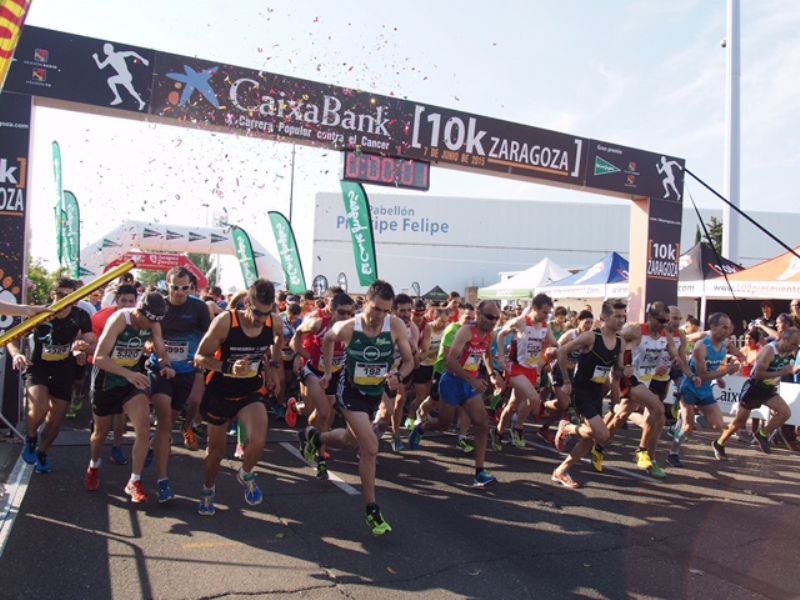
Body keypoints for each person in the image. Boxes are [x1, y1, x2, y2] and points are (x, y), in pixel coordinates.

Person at [302, 280, 414, 536]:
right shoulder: (350, 326)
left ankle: (313, 435)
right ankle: (371, 510)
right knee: (370, 446)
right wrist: (329, 370)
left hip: (375, 392)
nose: (380, 316)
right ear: (366, 303)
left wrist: (398, 374)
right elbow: (328, 339)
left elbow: (409, 361)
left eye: (386, 310)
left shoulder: (394, 326)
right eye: (376, 309)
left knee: (351, 439)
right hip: (350, 391)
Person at [194, 279, 282, 515]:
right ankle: (208, 490)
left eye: (267, 313)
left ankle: (245, 473)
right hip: (220, 391)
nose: (261, 319)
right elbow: (200, 357)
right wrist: (228, 367)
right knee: (217, 452)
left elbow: (277, 345)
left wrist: (273, 369)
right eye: (256, 313)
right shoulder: (226, 322)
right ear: (247, 303)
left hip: (249, 391)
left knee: (259, 440)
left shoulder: (274, 322)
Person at [85, 292, 174, 503]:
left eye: (153, 322)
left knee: (143, 428)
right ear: (138, 311)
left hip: (131, 381)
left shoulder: (153, 323)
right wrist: (127, 373)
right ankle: (94, 465)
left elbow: (161, 349)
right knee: (100, 432)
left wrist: (166, 365)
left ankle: (134, 481)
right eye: (146, 320)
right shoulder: (119, 320)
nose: (148, 326)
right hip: (107, 379)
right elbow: (99, 358)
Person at [408, 300, 502, 488]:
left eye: (497, 318)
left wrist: (492, 375)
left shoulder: (489, 335)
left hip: (470, 384)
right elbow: (450, 361)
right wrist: (472, 380)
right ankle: (421, 428)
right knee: (444, 424)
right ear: (478, 314)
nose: (493, 321)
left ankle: (479, 472)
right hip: (452, 382)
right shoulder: (466, 331)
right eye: (490, 317)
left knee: (482, 423)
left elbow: (487, 356)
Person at [7, 278, 95, 473]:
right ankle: (30, 437)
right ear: (52, 295)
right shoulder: (40, 313)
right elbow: (12, 337)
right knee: (39, 406)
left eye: (72, 296)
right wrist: (18, 354)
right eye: (61, 295)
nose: (66, 300)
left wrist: (84, 349)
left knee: (56, 419)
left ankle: (42, 452)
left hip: (64, 368)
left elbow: (92, 341)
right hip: (38, 366)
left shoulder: (80, 315)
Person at [551, 300, 631, 489]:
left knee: (591, 438)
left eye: (623, 316)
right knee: (602, 435)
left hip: (597, 393)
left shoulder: (620, 342)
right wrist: (567, 381)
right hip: (581, 391)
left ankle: (561, 471)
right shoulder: (591, 337)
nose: (621, 320)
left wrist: (624, 372)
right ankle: (568, 427)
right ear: (604, 318)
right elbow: (562, 351)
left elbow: (616, 371)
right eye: (617, 316)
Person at [148, 267, 212, 503]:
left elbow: (210, 336)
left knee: (175, 417)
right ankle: (163, 481)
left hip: (187, 370)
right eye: (175, 287)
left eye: (185, 288)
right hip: (160, 369)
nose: (180, 292)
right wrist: (149, 344)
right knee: (164, 418)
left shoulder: (198, 308)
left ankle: (166, 438)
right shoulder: (158, 306)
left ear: (191, 287)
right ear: (167, 285)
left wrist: (203, 362)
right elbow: (145, 331)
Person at [609, 302, 680, 478]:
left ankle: (600, 446)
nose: (665, 324)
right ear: (650, 317)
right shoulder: (635, 330)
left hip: (651, 379)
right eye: (661, 320)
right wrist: (620, 363)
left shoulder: (667, 335)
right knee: (658, 410)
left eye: (667, 320)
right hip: (632, 378)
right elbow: (614, 339)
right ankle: (643, 452)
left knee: (623, 416)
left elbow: (676, 355)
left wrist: (687, 372)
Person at [290, 292, 355, 477]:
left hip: (335, 374)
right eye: (341, 313)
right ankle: (321, 460)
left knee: (321, 416)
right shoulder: (318, 322)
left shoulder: (352, 327)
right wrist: (303, 355)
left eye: (350, 313)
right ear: (332, 311)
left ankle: (306, 434)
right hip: (314, 373)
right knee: (325, 414)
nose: (346, 317)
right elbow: (297, 335)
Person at [671, 313, 745, 463]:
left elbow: (739, 355)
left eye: (729, 327)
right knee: (687, 429)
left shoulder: (726, 343)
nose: (727, 330)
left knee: (718, 425)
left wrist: (740, 360)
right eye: (724, 327)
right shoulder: (701, 347)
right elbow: (703, 374)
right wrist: (725, 372)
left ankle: (689, 419)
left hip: (705, 389)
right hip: (690, 386)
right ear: (713, 327)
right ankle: (673, 453)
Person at [714, 328, 799, 457]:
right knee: (739, 423)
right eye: (793, 344)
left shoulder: (788, 348)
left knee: (785, 413)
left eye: (797, 345)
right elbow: (758, 374)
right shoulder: (769, 351)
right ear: (784, 340)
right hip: (754, 389)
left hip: (769, 390)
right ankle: (719, 443)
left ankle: (762, 434)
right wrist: (782, 373)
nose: (794, 347)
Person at [494, 293, 556, 449]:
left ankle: (499, 432)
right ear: (534, 308)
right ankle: (518, 428)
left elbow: (555, 343)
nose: (546, 315)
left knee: (514, 404)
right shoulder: (521, 322)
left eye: (549, 312)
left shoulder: (545, 327)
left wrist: (556, 350)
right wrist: (501, 356)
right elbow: (501, 334)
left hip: (531, 369)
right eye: (544, 312)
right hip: (515, 368)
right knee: (534, 399)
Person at [90, 284, 138, 464]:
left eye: (131, 301)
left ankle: (117, 447)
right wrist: (84, 349)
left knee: (121, 413)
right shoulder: (102, 317)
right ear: (116, 301)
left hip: (128, 372)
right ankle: (94, 463)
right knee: (101, 429)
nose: (127, 304)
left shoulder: (139, 319)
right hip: (104, 371)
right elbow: (93, 343)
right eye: (123, 300)